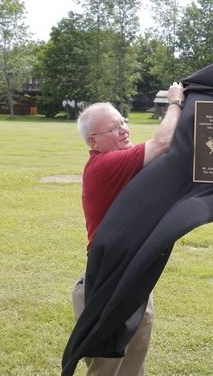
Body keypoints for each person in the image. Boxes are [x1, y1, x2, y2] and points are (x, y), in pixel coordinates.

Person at [72, 82, 184, 376]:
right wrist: (175, 103)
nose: (123, 129)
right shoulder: (104, 165)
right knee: (106, 368)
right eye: (113, 128)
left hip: (134, 280)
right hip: (105, 284)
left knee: (134, 366)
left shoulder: (125, 159)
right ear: (94, 142)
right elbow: (162, 144)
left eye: (123, 121)